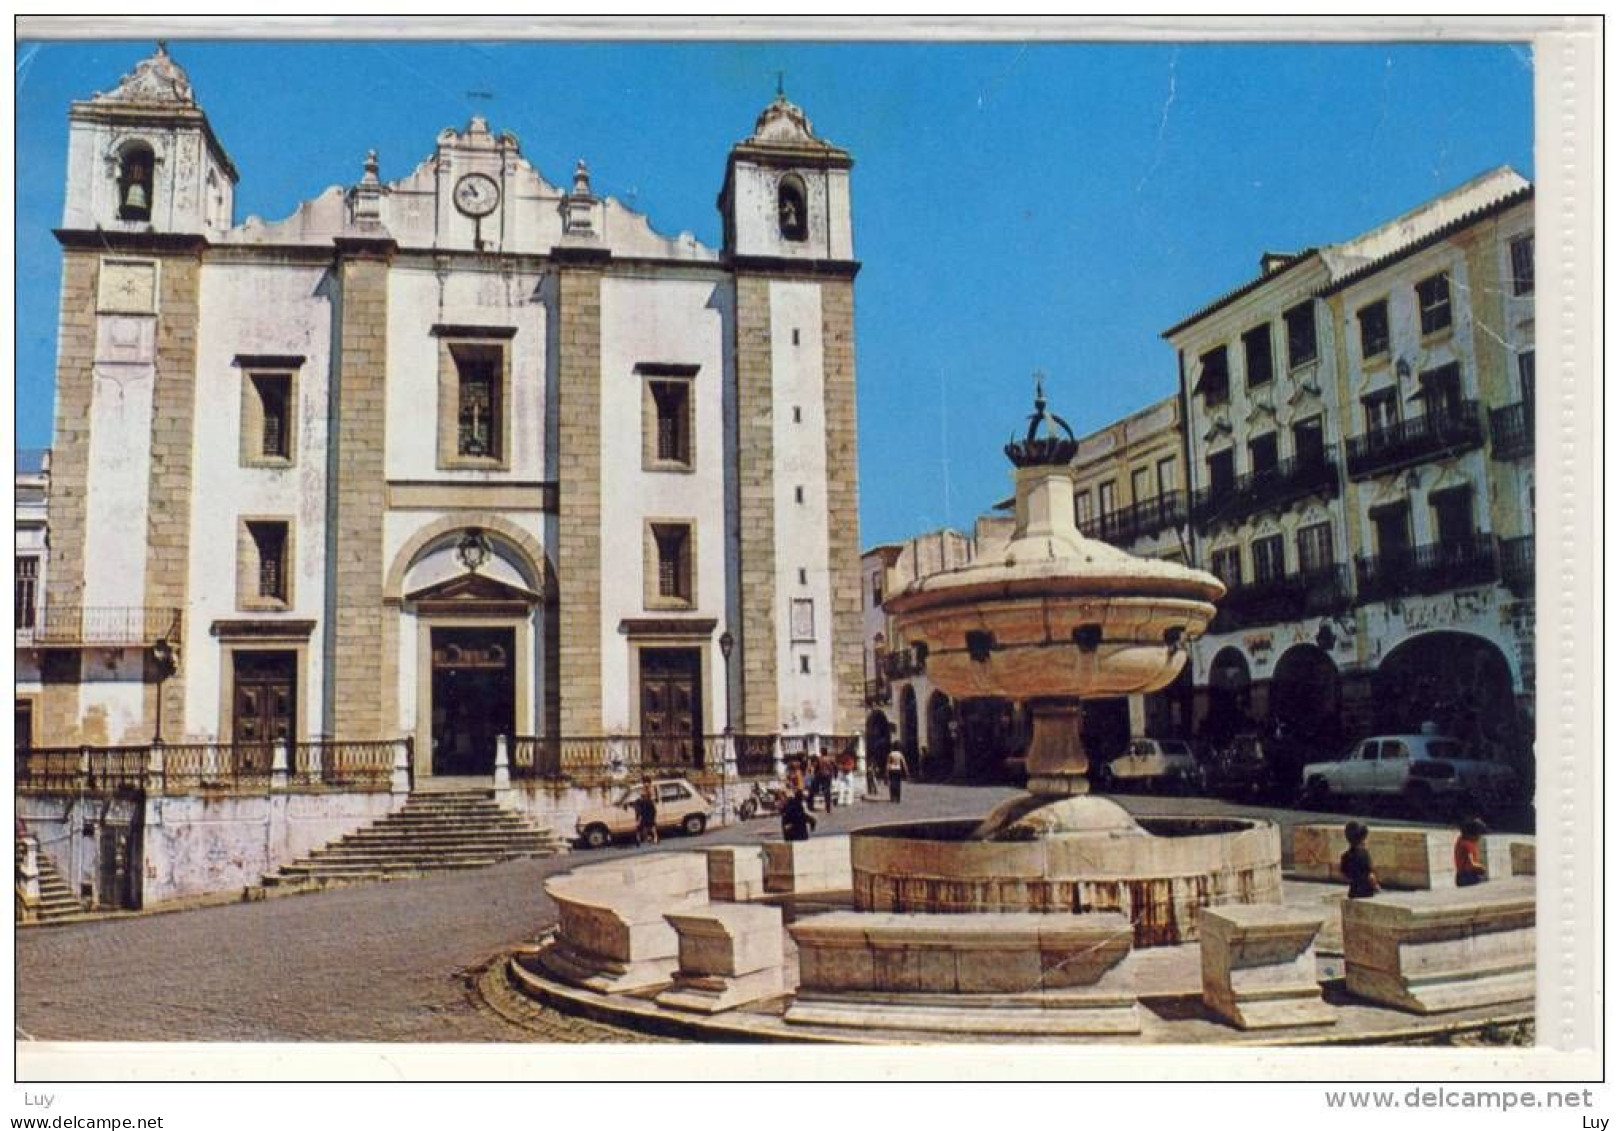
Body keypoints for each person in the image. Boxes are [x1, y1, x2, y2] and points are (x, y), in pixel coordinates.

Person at [1339, 820, 1379, 898]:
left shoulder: (1345, 856)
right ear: (1363, 838)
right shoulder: (1364, 854)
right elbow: (1370, 876)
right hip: (1366, 892)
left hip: (1353, 892)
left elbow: (1344, 874)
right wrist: (1376, 887)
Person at [1454, 817, 1488, 887]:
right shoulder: (1468, 844)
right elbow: (1471, 863)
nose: (1479, 837)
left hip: (1461, 876)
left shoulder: (1461, 840)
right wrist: (1481, 868)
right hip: (1468, 876)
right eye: (1479, 834)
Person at [633, 779, 658, 846]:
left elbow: (652, 798)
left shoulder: (651, 788)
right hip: (645, 807)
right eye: (645, 783)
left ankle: (655, 837)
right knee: (645, 824)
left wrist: (646, 794)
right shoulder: (643, 789)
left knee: (652, 824)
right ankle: (648, 837)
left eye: (646, 783)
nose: (645, 784)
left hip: (649, 807)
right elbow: (642, 796)